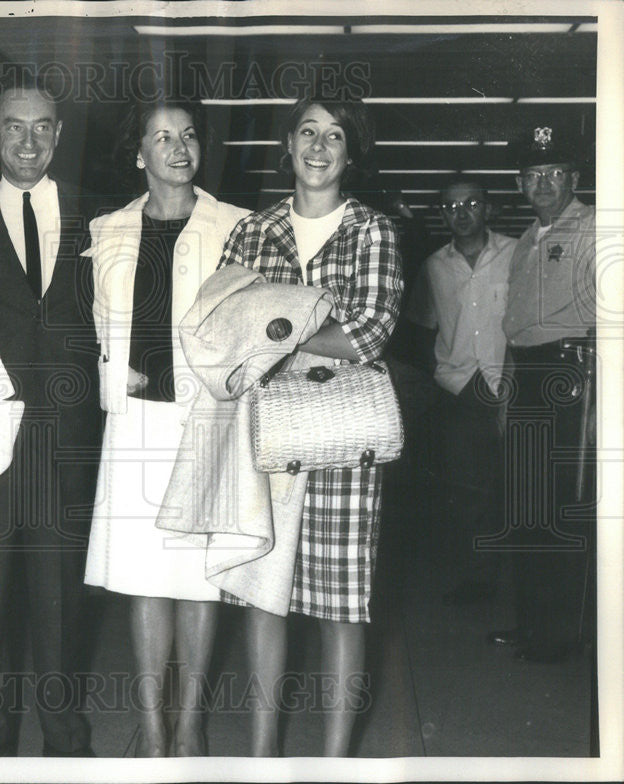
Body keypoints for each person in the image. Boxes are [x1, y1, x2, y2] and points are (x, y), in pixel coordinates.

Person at [217, 98, 402, 756]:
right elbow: (226, 326)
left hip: (346, 445)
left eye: (335, 136)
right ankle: (264, 755)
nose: (320, 147)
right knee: (264, 598)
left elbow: (370, 332)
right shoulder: (251, 232)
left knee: (342, 606)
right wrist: (293, 336)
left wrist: (280, 340)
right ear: (287, 146)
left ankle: (335, 761)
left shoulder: (374, 231)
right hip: (266, 440)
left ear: (352, 154)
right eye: (308, 132)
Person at [82, 100, 249, 757]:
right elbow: (100, 322)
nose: (179, 147)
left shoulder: (235, 226)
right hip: (136, 427)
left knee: (198, 577)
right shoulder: (108, 228)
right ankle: (152, 723)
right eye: (161, 137)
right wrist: (112, 369)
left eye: (187, 136)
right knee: (143, 575)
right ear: (138, 154)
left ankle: (190, 722)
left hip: (206, 422)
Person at [0, 74, 103, 757]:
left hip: (67, 436)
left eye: (43, 126)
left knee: (60, 595)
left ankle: (65, 738)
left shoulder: (98, 218)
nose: (29, 140)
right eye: (14, 125)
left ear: (59, 134)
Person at [487, 126, 597, 663]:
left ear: (574, 178)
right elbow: (514, 326)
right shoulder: (527, 238)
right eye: (533, 175)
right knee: (527, 505)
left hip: (571, 374)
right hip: (528, 376)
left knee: (563, 506)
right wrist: (509, 397)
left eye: (555, 173)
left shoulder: (596, 226)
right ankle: (531, 625)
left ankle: (561, 635)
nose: (544, 184)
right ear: (520, 182)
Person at [406, 180, 516, 604]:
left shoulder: (515, 252)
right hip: (460, 389)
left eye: (471, 203)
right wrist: (437, 373)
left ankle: (524, 581)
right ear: (443, 215)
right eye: (452, 206)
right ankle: (480, 580)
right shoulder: (433, 266)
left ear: (488, 209)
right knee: (470, 493)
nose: (462, 212)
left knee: (520, 484)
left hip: (510, 382)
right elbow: (420, 326)